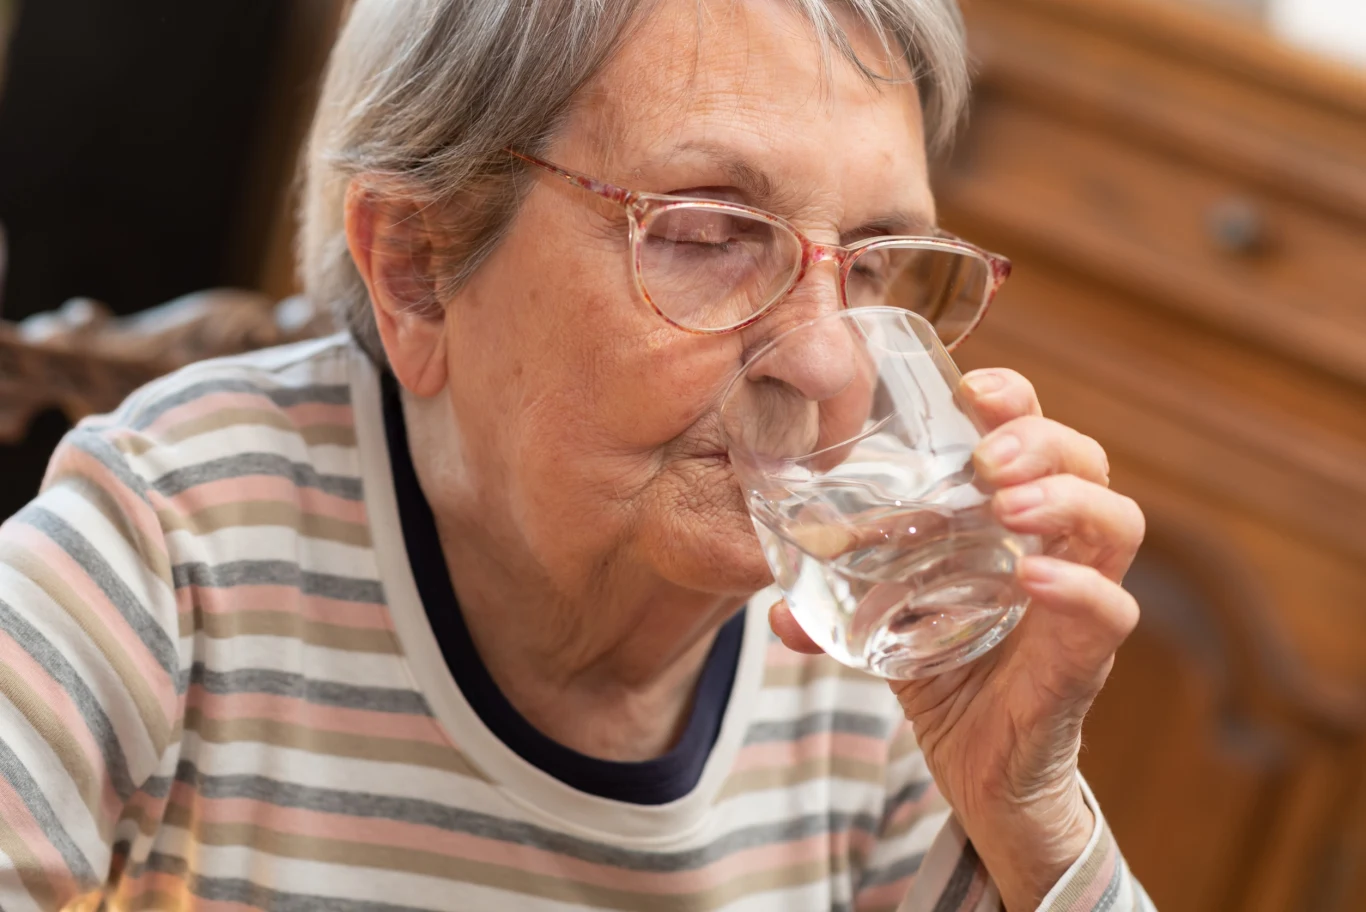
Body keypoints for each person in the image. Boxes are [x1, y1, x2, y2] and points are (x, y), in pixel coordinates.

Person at [0, 0, 1155, 909]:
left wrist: (1028, 814)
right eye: (709, 235)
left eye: (867, 269)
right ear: (417, 264)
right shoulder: (174, 531)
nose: (830, 370)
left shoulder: (882, 658)